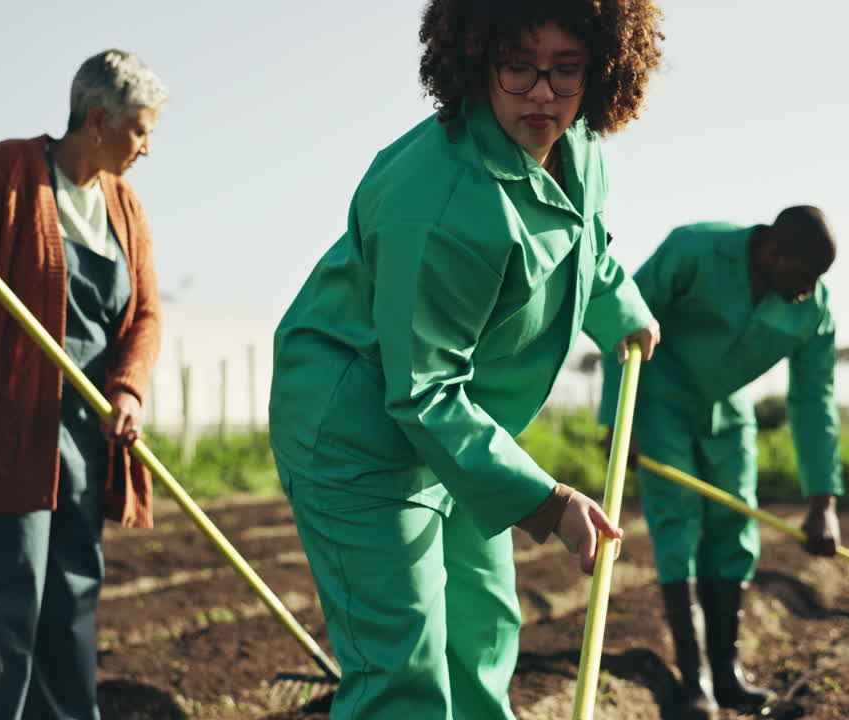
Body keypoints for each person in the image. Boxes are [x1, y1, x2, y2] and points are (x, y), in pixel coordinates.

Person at [268, 1, 664, 716]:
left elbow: (587, 244)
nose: (542, 93)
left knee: (482, 628)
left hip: (459, 422)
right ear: (478, 60)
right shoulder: (445, 199)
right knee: (404, 665)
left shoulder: (579, 147)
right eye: (519, 67)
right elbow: (421, 392)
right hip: (357, 428)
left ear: (603, 71)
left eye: (566, 71)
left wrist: (624, 314)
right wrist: (548, 501)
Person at [0, 49, 167, 720]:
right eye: (140, 130)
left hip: (82, 443)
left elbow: (145, 317)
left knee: (69, 613)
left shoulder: (125, 207)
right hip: (1, 438)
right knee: (0, 617)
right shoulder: (10, 171)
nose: (147, 146)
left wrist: (130, 391)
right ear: (100, 119)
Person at [599, 207, 844, 719]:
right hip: (659, 398)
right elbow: (624, 319)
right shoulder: (693, 249)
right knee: (678, 520)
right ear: (774, 254)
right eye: (803, 276)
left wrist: (824, 501)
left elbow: (813, 400)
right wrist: (620, 422)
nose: (809, 290)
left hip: (728, 406)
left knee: (736, 519)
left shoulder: (813, 309)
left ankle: (728, 673)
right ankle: (695, 679)